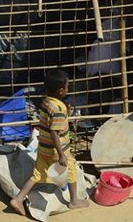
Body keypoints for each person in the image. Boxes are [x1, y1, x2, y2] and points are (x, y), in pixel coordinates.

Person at [10, 69, 89, 216]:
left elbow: (51, 123)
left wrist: (67, 113)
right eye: (67, 87)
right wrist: (61, 155)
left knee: (37, 174)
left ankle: (18, 198)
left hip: (43, 148)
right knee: (71, 172)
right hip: (56, 150)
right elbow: (54, 133)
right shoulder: (59, 108)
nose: (68, 89)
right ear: (60, 91)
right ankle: (74, 201)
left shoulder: (46, 102)